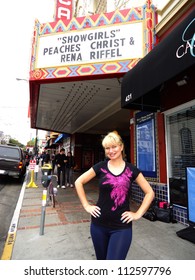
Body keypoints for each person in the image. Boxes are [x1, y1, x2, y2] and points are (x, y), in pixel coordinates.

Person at [75, 131, 154, 260]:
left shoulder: (131, 169)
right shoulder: (100, 167)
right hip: (98, 225)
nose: (111, 151)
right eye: (107, 148)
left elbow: (149, 192)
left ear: (121, 147)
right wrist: (86, 205)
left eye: (114, 147)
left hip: (121, 227)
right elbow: (79, 182)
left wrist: (138, 213)